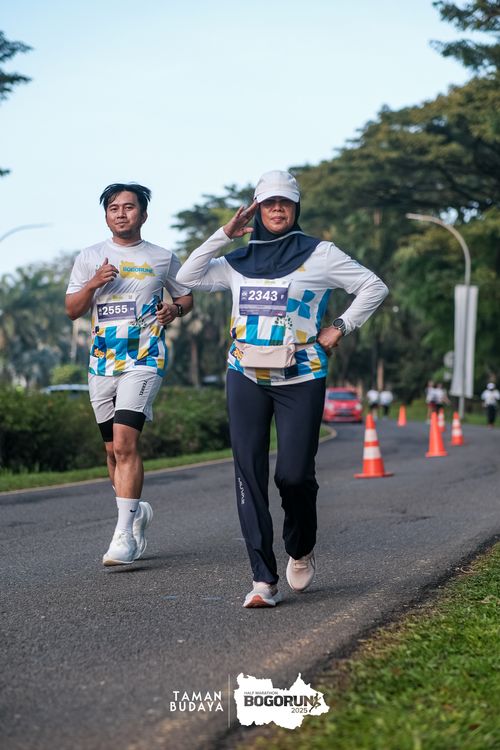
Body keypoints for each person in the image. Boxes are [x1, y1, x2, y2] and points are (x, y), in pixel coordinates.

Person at [176, 170, 388, 608]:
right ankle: (263, 580)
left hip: (302, 376)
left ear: (295, 208)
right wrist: (225, 233)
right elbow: (188, 275)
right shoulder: (237, 261)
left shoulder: (320, 254)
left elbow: (373, 286)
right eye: (268, 203)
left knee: (294, 475)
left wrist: (340, 326)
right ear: (256, 209)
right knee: (248, 473)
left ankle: (301, 547)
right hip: (245, 374)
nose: (277, 209)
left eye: (285, 203)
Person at [65, 183, 193, 566]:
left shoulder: (162, 257)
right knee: (111, 452)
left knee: (124, 445)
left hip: (144, 358)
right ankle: (135, 513)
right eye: (114, 208)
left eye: (129, 207)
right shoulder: (90, 257)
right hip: (102, 363)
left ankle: (123, 536)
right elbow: (72, 310)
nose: (121, 213)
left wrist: (175, 310)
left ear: (143, 214)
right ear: (106, 215)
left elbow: (185, 296)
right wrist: (93, 283)